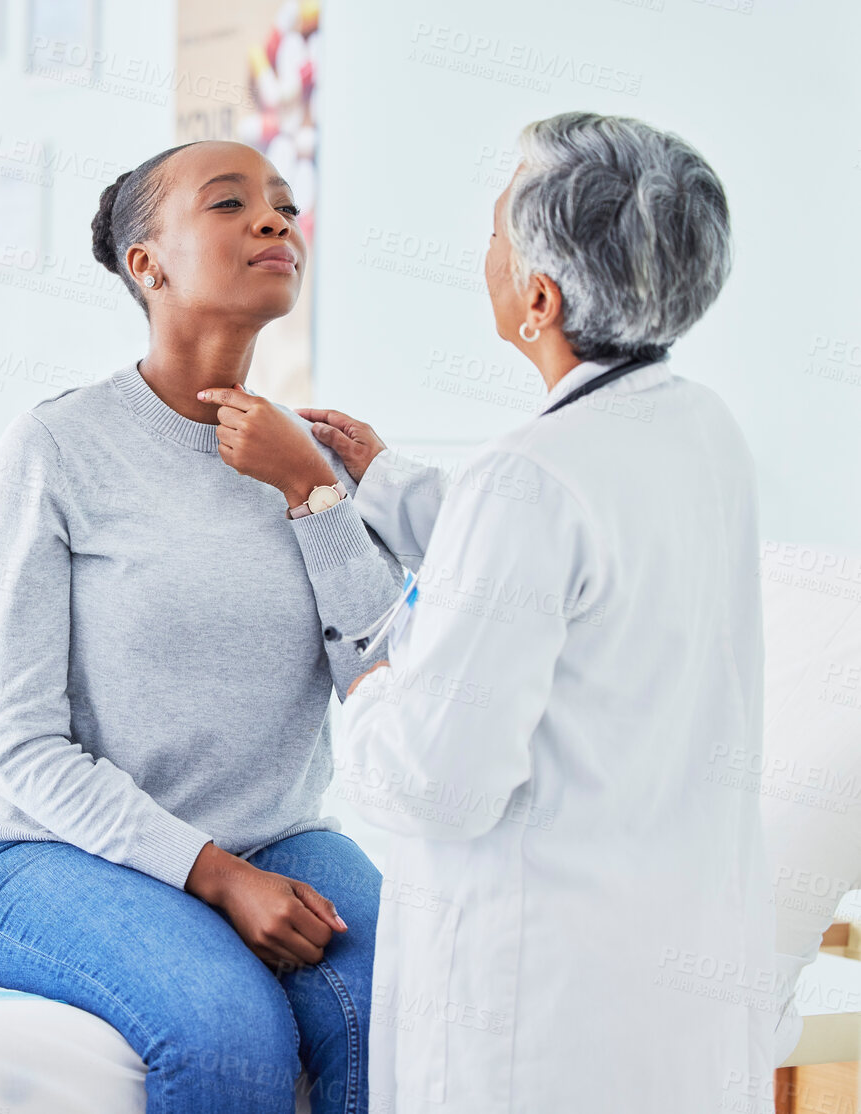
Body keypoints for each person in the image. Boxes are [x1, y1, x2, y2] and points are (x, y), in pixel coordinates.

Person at [204, 111, 773, 1111]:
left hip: (535, 1019)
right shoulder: (698, 430)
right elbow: (561, 559)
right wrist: (383, 482)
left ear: (537, 299)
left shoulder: (530, 482)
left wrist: (376, 678)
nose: (486, 252)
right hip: (667, 995)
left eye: (495, 233)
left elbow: (435, 785)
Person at [0, 139, 405, 1114]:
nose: (274, 220)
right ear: (146, 266)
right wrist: (215, 876)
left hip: (278, 836)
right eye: (230, 203)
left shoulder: (306, 457)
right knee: (228, 1033)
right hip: (46, 855)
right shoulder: (56, 449)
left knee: (410, 1006)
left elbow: (383, 681)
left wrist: (310, 492)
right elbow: (24, 750)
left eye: (281, 203)